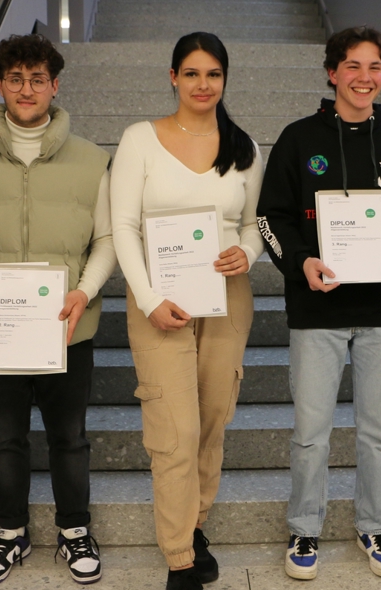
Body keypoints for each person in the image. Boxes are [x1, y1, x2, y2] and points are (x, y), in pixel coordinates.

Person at [255, 26, 381, 581]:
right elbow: (270, 218)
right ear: (332, 72)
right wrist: (301, 263)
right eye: (353, 66)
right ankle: (305, 527)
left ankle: (373, 524)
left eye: (375, 67)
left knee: (378, 431)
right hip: (318, 312)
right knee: (311, 432)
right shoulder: (297, 139)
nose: (366, 78)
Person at [0, 34, 113, 586]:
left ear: (55, 86)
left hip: (69, 326)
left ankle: (74, 530)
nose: (26, 89)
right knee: (5, 438)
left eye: (38, 78)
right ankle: (11, 532)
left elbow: (107, 240)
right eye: (15, 78)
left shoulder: (91, 158)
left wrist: (82, 291)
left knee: (70, 437)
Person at [109, 32, 263, 590]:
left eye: (214, 74)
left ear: (225, 80)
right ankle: (178, 557)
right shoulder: (139, 139)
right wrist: (149, 299)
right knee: (174, 427)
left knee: (212, 419)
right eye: (192, 73)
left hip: (227, 299)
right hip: (161, 299)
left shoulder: (244, 148)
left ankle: (194, 525)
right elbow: (122, 225)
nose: (203, 84)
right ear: (172, 77)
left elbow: (260, 223)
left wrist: (247, 251)